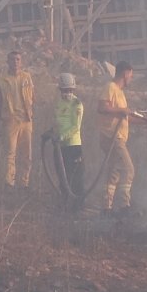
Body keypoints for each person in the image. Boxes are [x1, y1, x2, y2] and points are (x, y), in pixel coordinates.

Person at [98, 61, 139, 213]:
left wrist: (145, 121)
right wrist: (121, 110)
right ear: (125, 73)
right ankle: (124, 206)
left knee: (114, 172)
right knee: (128, 169)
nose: (131, 79)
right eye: (131, 75)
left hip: (118, 137)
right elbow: (102, 107)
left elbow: (124, 117)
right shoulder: (110, 87)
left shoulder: (120, 93)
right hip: (112, 136)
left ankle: (106, 207)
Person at [0, 50, 34, 188]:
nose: (15, 62)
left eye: (18, 59)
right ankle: (9, 183)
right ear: (7, 61)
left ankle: (24, 183)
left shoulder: (27, 77)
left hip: (26, 120)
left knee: (26, 154)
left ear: (21, 61)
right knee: (10, 153)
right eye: (12, 59)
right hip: (10, 120)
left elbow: (32, 97)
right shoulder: (2, 80)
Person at [54, 72, 85, 212]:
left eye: (69, 90)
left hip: (73, 146)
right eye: (64, 90)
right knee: (62, 177)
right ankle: (65, 203)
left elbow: (75, 126)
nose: (67, 93)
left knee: (75, 178)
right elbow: (58, 122)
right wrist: (51, 132)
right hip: (60, 147)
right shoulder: (59, 103)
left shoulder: (77, 104)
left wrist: (62, 136)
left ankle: (78, 206)